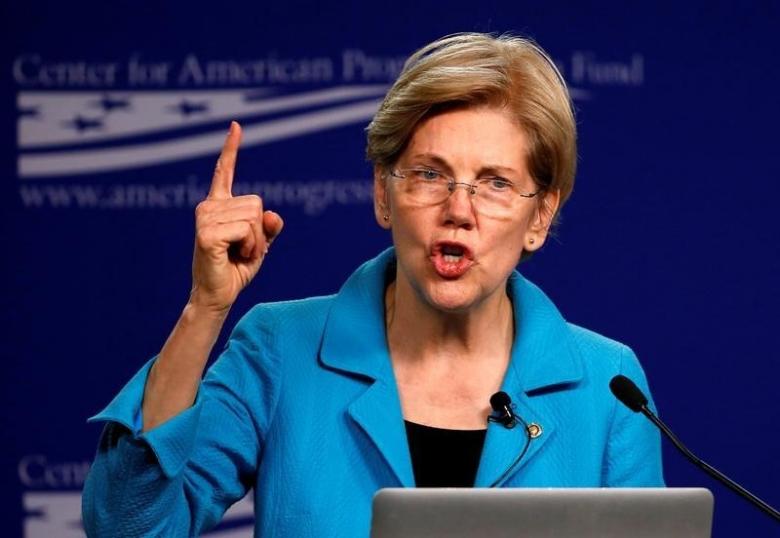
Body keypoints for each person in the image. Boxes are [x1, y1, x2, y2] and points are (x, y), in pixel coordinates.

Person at [82, 33, 663, 537]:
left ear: (539, 216)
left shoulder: (608, 389)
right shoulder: (279, 350)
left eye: (495, 183)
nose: (459, 209)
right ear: (383, 194)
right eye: (430, 174)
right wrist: (205, 307)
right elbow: (130, 528)